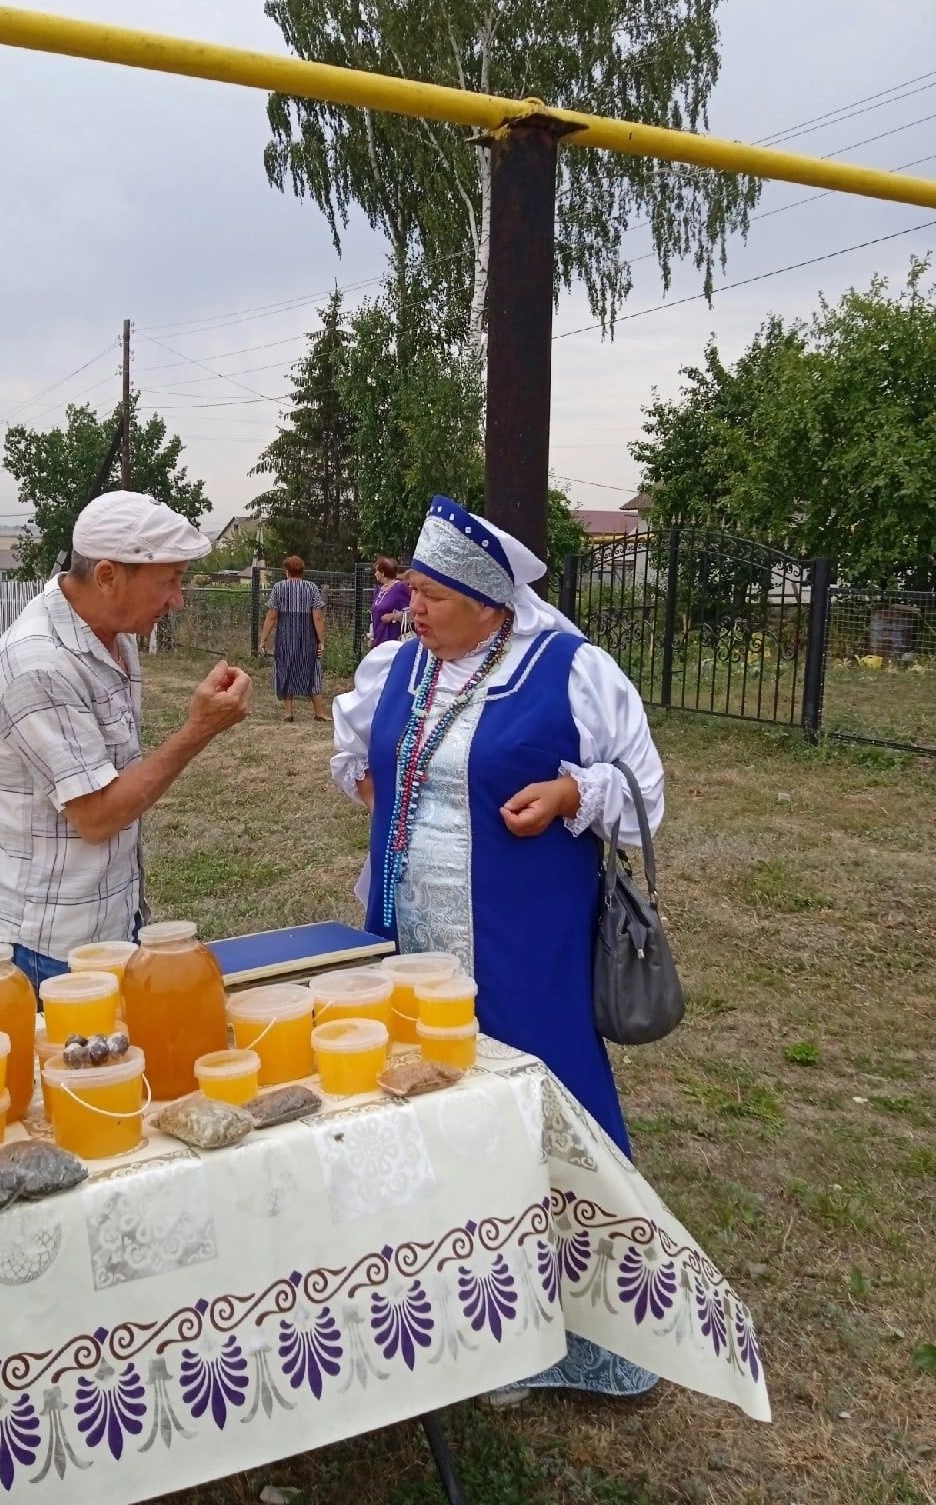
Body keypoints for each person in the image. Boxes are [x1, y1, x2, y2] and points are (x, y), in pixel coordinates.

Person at [331, 495, 665, 1402]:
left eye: (433, 595)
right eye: (410, 590)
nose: (412, 608)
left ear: (491, 604)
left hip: (524, 939)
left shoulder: (571, 671)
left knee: (536, 1103)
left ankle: (575, 1334)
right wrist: (378, 786)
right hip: (406, 934)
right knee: (419, 1098)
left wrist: (568, 794)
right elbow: (358, 758)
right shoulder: (397, 667)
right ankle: (442, 1310)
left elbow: (644, 788)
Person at [0, 490, 252, 987]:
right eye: (171, 581)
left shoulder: (110, 637)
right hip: (53, 950)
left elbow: (86, 774)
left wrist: (22, 829)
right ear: (108, 576)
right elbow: (96, 816)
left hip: (109, 921)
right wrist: (197, 731)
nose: (178, 600)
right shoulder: (40, 664)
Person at [258, 555, 327, 723]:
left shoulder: (278, 588)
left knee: (285, 669)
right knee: (312, 670)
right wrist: (321, 640)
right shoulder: (311, 588)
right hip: (307, 638)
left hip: (285, 638)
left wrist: (263, 639)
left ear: (286, 571)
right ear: (302, 571)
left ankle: (288, 713)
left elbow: (271, 617)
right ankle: (319, 712)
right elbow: (318, 618)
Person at [369, 555, 410, 647]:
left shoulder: (400, 587)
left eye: (376, 571)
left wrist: (394, 616)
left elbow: (412, 612)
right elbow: (373, 615)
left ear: (383, 573)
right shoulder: (378, 590)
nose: (375, 574)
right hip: (378, 640)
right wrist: (372, 637)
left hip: (393, 641)